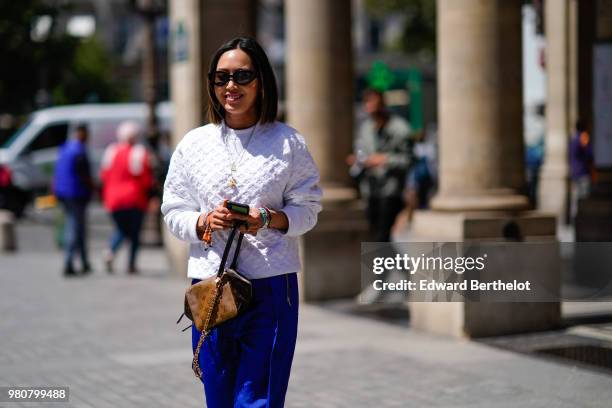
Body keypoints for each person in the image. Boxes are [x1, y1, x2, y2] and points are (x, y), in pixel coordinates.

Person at [161, 37, 321, 407]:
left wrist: (266, 218)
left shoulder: (288, 143)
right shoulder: (193, 144)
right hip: (211, 286)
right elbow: (173, 209)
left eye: (242, 76)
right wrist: (204, 220)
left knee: (257, 399)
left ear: (261, 81)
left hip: (270, 286)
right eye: (221, 78)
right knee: (217, 396)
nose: (230, 86)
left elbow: (308, 210)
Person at [347, 88, 414, 242]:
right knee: (376, 236)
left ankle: (392, 266)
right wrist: (358, 160)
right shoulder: (365, 128)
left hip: (391, 190)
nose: (371, 108)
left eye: (375, 103)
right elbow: (363, 153)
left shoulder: (400, 128)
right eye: (368, 103)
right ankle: (401, 266)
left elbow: (408, 159)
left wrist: (385, 159)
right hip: (371, 189)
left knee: (381, 236)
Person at [100, 120, 154, 274]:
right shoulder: (139, 153)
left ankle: (110, 250)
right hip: (134, 199)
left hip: (113, 199)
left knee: (121, 229)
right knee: (134, 232)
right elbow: (145, 179)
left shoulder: (111, 151)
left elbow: (104, 175)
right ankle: (131, 264)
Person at [53, 124, 94, 276]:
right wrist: (93, 187)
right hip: (76, 194)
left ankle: (83, 261)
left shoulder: (64, 148)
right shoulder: (79, 151)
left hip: (63, 193)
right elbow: (84, 175)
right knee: (74, 228)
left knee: (78, 228)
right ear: (82, 134)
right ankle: (69, 262)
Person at [569, 119, 594, 220]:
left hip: (574, 172)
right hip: (583, 172)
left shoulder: (573, 139)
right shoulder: (583, 137)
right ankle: (582, 220)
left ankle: (574, 219)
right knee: (583, 197)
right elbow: (589, 153)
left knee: (575, 197)